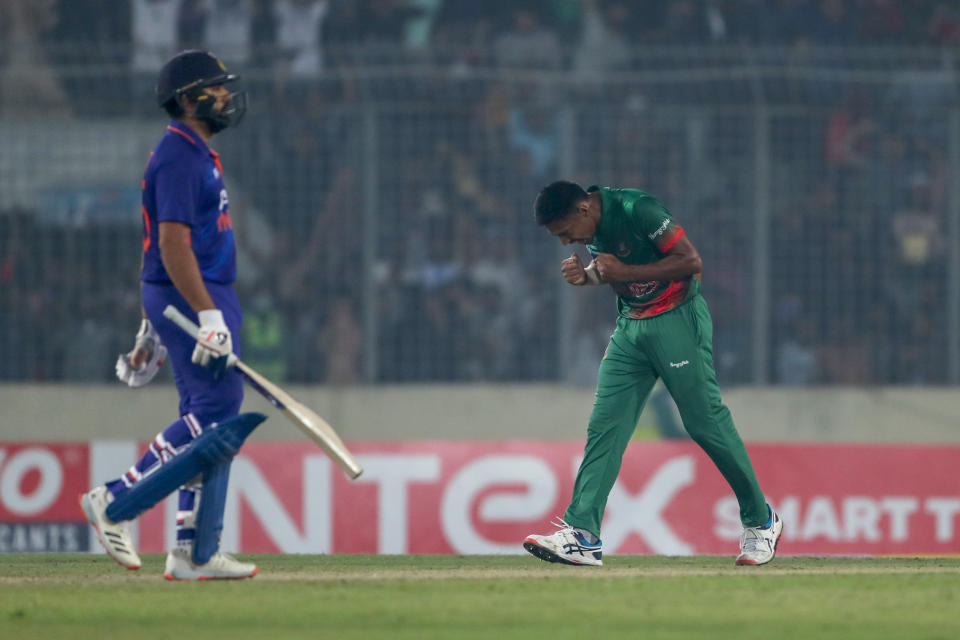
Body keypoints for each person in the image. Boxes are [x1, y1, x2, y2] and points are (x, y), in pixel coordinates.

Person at [522, 181, 783, 566]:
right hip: (631, 328)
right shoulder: (592, 227)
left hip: (677, 321)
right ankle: (582, 535)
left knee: (704, 423)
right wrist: (589, 277)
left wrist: (622, 269)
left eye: (564, 233)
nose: (565, 243)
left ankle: (761, 522)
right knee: (604, 426)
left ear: (583, 210)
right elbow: (619, 274)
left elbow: (691, 261)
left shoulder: (637, 209)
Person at [79, 50, 262, 580]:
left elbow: (155, 249)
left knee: (210, 410)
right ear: (189, 98)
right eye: (216, 87)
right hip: (193, 292)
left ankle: (191, 551)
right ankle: (114, 500)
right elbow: (171, 244)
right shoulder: (180, 155)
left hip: (189, 293)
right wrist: (205, 314)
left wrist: (150, 327)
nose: (226, 95)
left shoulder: (191, 152)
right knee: (216, 408)